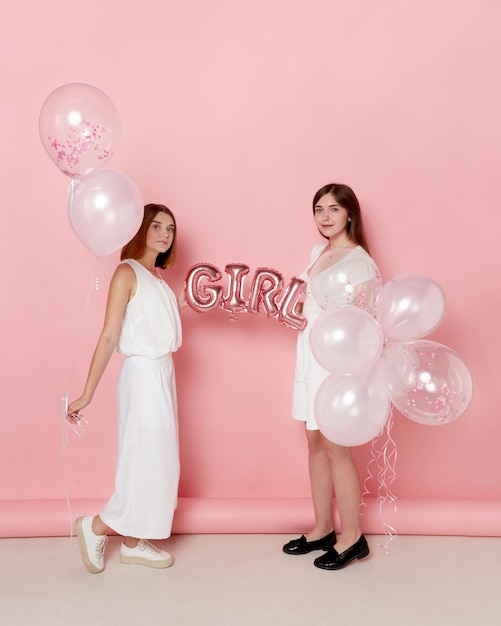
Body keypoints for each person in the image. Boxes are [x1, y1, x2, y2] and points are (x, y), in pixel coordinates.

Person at [67, 203, 187, 574]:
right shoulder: (127, 272)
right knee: (143, 457)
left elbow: (159, 322)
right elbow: (108, 335)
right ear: (140, 230)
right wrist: (87, 392)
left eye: (170, 228)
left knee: (161, 460)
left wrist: (189, 300)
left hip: (162, 375)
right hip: (142, 375)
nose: (165, 234)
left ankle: (135, 542)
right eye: (157, 226)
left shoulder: (157, 279)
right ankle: (97, 525)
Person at [283, 183, 379, 570]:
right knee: (313, 440)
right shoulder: (316, 252)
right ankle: (323, 526)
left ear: (350, 214)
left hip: (336, 362)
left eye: (333, 210)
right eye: (319, 209)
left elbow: (367, 321)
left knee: (337, 444)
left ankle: (352, 536)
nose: (325, 217)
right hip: (308, 354)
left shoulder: (361, 262)